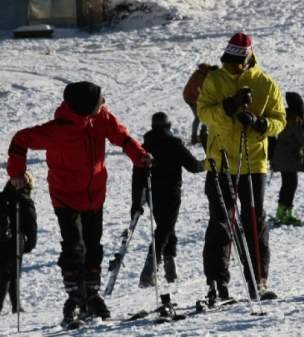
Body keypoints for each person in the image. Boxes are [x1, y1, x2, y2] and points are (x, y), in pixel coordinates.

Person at [6, 81, 151, 325]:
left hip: (95, 195)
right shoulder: (57, 130)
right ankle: (74, 298)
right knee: (74, 248)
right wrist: (17, 173)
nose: (103, 102)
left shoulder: (102, 118)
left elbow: (120, 136)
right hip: (66, 197)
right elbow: (20, 140)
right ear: (84, 107)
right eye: (98, 100)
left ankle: (92, 296)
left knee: (94, 246)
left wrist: (139, 155)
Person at [197, 32, 286, 300]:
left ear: (248, 58)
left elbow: (279, 120)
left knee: (253, 221)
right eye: (230, 60)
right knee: (221, 222)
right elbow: (204, 112)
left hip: (252, 161)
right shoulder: (215, 79)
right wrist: (228, 106)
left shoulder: (266, 84)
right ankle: (217, 282)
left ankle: (258, 280)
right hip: (220, 161)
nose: (234, 66)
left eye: (239, 61)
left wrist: (261, 124)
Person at [133, 112, 204, 288]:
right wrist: (210, 163)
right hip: (172, 192)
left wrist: (136, 202)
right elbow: (193, 166)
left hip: (152, 194)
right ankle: (149, 269)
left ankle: (170, 268)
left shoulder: (144, 147)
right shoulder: (175, 144)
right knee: (165, 228)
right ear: (168, 125)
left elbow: (137, 178)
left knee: (166, 227)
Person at [270, 92, 304, 226]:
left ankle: (281, 212)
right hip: (290, 158)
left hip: (281, 156)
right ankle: (286, 213)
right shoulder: (295, 120)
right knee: (291, 185)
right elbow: (302, 138)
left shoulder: (285, 116)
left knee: (286, 184)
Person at [0, 172, 37, 314]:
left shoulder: (1, 198)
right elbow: (31, 226)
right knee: (12, 275)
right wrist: (30, 244)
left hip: (1, 241)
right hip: (16, 242)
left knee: (4, 274)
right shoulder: (25, 200)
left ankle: (15, 305)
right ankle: (16, 305)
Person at [183, 63, 218, 149]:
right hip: (190, 98)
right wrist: (203, 100)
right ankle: (194, 137)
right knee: (199, 116)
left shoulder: (205, 74)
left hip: (196, 97)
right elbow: (195, 89)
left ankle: (203, 133)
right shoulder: (199, 75)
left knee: (204, 113)